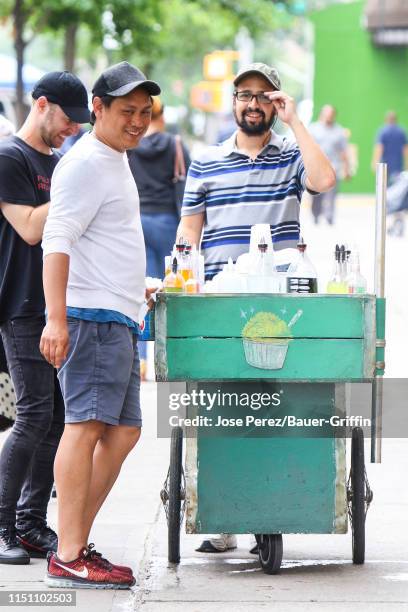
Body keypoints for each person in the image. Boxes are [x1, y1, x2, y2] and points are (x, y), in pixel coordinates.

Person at [177, 62, 335, 553]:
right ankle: (222, 516)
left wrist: (297, 123)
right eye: (244, 94)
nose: (252, 103)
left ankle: (273, 505)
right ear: (233, 102)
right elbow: (190, 228)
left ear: (276, 103)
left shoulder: (291, 155)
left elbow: (326, 180)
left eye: (263, 96)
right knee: (221, 404)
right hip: (221, 301)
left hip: (280, 304)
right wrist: (183, 277)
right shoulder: (206, 160)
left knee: (278, 405)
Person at [40, 61, 160, 589]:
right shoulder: (87, 161)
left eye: (144, 112)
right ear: (98, 109)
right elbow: (57, 239)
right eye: (126, 111)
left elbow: (103, 239)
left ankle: (75, 541)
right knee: (84, 428)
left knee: (125, 430)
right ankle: (68, 552)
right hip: (88, 318)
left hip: (117, 316)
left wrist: (138, 286)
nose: (137, 121)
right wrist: (57, 319)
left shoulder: (115, 157)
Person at [0, 71, 90, 564]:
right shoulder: (9, 158)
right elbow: (31, 228)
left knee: (57, 418)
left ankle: (31, 523)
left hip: (59, 303)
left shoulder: (57, 163)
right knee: (33, 414)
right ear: (41, 105)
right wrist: (78, 191)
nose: (72, 130)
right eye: (67, 119)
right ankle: (1, 525)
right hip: (21, 306)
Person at [127, 96, 190, 380]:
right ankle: (170, 356)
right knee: (169, 290)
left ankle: (139, 360)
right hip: (167, 221)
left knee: (141, 290)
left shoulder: (131, 146)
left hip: (137, 222)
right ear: (162, 116)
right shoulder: (175, 145)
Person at [308, 105, 351, 225]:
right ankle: (316, 214)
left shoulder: (339, 131)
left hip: (334, 168)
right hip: (316, 168)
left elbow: (344, 152)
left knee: (332, 194)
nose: (328, 116)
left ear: (334, 115)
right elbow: (307, 148)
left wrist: (347, 169)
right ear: (321, 114)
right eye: (326, 114)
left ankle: (329, 216)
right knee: (316, 195)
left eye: (331, 114)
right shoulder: (313, 129)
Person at [372, 110, 408, 183]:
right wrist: (406, 165)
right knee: (397, 189)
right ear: (396, 120)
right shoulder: (401, 132)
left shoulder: (382, 132)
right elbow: (405, 150)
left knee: (385, 189)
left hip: (385, 167)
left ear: (386, 119)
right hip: (398, 166)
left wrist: (375, 162)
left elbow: (379, 148)